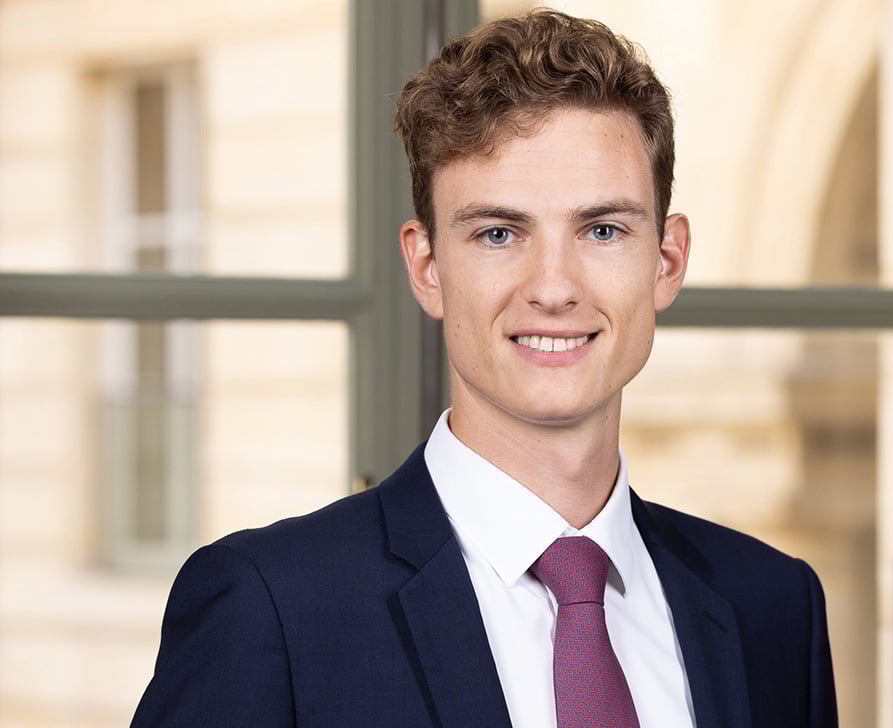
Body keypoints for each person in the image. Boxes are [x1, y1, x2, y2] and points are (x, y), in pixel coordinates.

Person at [132, 9, 837, 728]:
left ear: (667, 260)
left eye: (602, 230)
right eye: (499, 234)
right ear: (427, 266)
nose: (554, 288)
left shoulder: (774, 607)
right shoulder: (272, 609)